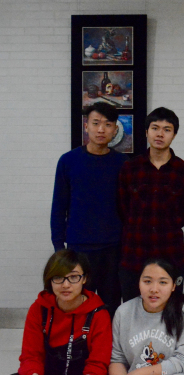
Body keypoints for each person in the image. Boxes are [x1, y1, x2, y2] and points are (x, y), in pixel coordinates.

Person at [50, 102, 128, 317]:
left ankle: (107, 340)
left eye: (108, 124)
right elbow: (59, 207)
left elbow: (128, 208)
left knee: (110, 304)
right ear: (86, 126)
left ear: (115, 129)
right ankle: (80, 340)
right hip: (78, 248)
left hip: (113, 248)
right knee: (78, 303)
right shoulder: (68, 161)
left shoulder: (123, 163)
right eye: (96, 123)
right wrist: (59, 247)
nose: (101, 129)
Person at [118, 107, 184, 302]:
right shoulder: (130, 168)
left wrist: (168, 223)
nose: (160, 134)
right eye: (155, 128)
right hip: (134, 254)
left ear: (174, 135)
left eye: (167, 129)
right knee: (132, 308)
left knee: (171, 309)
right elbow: (122, 207)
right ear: (146, 132)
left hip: (170, 253)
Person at [17, 250, 112, 375]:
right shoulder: (39, 309)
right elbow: (31, 357)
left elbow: (98, 364)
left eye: (73, 277)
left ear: (84, 279)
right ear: (50, 280)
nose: (66, 285)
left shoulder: (98, 314)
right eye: (58, 277)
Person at [109, 259, 184, 375]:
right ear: (139, 282)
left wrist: (141, 373)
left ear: (173, 286)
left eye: (163, 282)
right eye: (147, 281)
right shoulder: (123, 312)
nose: (154, 289)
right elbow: (117, 359)